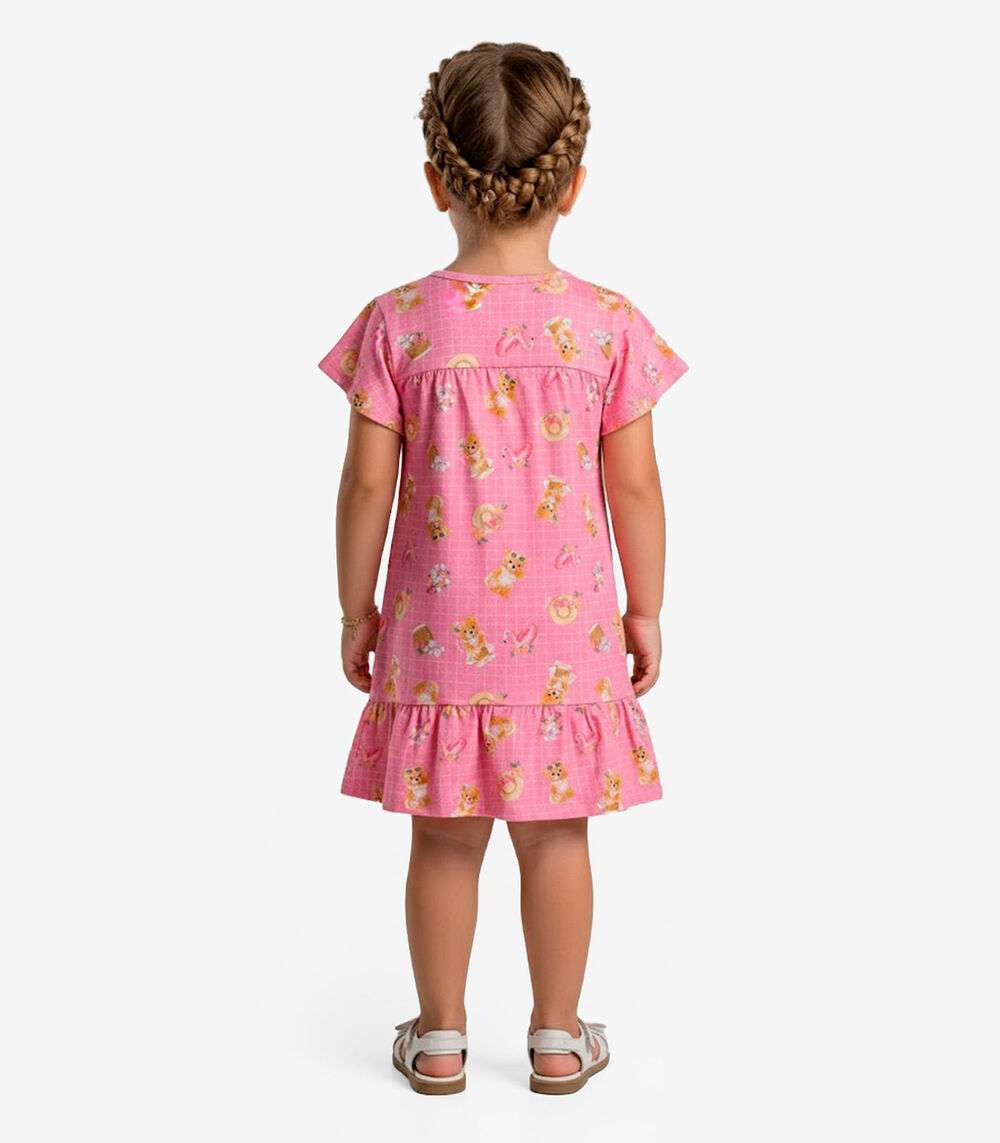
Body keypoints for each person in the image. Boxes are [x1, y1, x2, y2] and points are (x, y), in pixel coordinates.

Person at [319, 42, 688, 1095]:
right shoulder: (608, 325)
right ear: (573, 184)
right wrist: (646, 609)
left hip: (438, 634)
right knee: (556, 838)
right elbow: (634, 489)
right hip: (568, 638)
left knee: (444, 842)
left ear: (436, 180)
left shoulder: (398, 323)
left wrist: (355, 610)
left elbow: (365, 487)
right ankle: (558, 1037)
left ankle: (439, 1040)